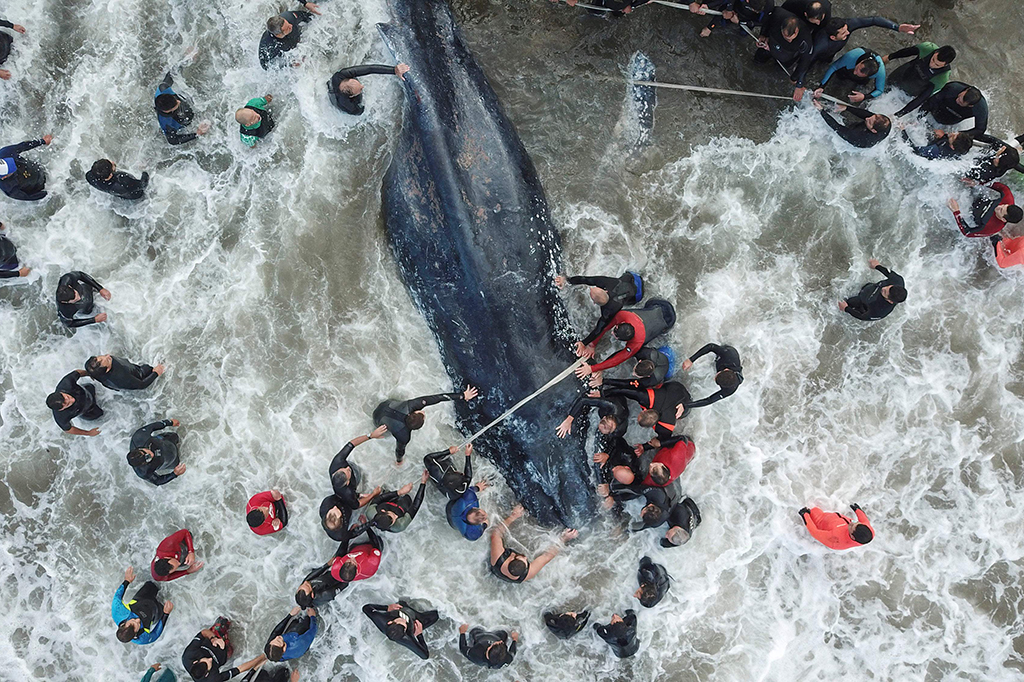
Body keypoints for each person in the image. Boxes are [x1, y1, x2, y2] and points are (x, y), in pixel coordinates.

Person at [373, 385, 478, 463]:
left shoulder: (411, 405)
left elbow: (438, 397)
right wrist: (399, 461)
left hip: (383, 407)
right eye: (422, 414)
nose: (423, 412)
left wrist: (463, 395)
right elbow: (399, 450)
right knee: (386, 432)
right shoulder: (403, 435)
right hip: (378, 420)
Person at [575, 299, 676, 377]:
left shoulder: (636, 343)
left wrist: (592, 369)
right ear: (621, 324)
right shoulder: (623, 315)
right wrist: (592, 344)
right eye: (615, 330)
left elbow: (618, 359)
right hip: (659, 304)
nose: (612, 332)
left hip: (668, 321)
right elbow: (605, 327)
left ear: (628, 341)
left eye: (615, 335)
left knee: (655, 336)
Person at [554, 271, 643, 356]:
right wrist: (566, 280)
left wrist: (583, 342)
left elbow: (599, 329)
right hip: (633, 277)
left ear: (594, 303)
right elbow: (586, 280)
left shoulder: (609, 311)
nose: (591, 288)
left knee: (626, 302)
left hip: (637, 295)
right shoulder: (607, 283)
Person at [489, 504, 578, 583]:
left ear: (511, 558)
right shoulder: (528, 574)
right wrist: (564, 538)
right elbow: (547, 556)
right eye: (525, 559)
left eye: (521, 557)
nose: (525, 557)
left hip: (498, 570)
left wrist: (514, 516)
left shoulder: (498, 558)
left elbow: (496, 533)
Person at [811, 16, 918, 68]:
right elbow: (807, 59)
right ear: (833, 37)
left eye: (847, 30)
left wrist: (897, 27)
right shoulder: (820, 45)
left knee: (827, 62)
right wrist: (798, 81)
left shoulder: (848, 25)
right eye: (843, 33)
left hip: (831, 52)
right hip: (818, 53)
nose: (848, 33)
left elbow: (873, 20)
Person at [755, 8, 813, 101]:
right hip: (769, 46)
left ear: (796, 31)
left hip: (786, 57)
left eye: (790, 38)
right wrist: (763, 35)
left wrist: (796, 80)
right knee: (757, 60)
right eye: (786, 37)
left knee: (778, 73)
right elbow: (767, 21)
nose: (789, 40)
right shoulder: (777, 14)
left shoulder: (805, 40)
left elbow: (805, 61)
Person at [884, 43, 956, 117]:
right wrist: (889, 57)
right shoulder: (928, 48)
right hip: (905, 72)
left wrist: (899, 114)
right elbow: (907, 52)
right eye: (933, 59)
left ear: (945, 64)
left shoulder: (942, 77)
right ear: (936, 52)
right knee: (884, 87)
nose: (932, 64)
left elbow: (922, 98)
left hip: (915, 88)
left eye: (937, 65)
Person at [604, 381, 691, 441]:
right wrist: (603, 394)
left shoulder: (666, 427)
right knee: (655, 387)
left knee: (681, 414)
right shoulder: (646, 397)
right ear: (644, 411)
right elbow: (623, 391)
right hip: (674, 388)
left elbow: (662, 441)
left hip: (683, 402)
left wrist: (645, 447)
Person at [183, 619, 266, 682]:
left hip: (212, 641)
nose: (210, 659)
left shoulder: (188, 655)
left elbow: (203, 633)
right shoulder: (213, 679)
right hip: (224, 654)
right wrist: (261, 657)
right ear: (207, 673)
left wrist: (213, 638)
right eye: (209, 663)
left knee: (224, 619)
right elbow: (239, 669)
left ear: (195, 662)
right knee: (236, 644)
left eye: (205, 659)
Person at [328, 425, 387, 510]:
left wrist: (371, 436)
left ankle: (358, 494)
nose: (348, 468)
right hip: (354, 481)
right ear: (347, 482)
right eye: (348, 472)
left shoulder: (336, 463)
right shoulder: (347, 493)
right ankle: (358, 493)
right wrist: (372, 495)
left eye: (344, 469)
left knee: (353, 468)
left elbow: (351, 444)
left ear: (335, 472)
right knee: (357, 479)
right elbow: (356, 505)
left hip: (350, 479)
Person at [351, 472, 429, 534]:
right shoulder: (400, 525)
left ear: (383, 511)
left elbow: (379, 498)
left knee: (385, 491)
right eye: (394, 519)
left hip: (388, 502)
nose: (396, 516)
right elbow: (415, 506)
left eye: (393, 516)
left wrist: (399, 492)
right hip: (402, 507)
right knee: (407, 498)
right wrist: (423, 482)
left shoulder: (370, 513)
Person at [112, 567, 172, 645]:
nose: (138, 620)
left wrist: (127, 581)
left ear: (124, 624)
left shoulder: (118, 613)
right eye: (138, 624)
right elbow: (156, 634)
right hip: (156, 611)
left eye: (133, 620)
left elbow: (117, 596)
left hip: (143, 597)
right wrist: (166, 614)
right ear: (135, 635)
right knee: (169, 595)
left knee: (154, 582)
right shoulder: (143, 638)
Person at [362, 601, 439, 660]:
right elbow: (425, 655)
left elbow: (366, 608)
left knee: (402, 601)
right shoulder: (406, 638)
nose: (404, 620)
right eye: (404, 624)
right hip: (414, 621)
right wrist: (419, 634)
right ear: (405, 632)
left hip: (397, 611)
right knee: (436, 615)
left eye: (400, 620)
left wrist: (387, 608)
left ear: (390, 622)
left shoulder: (380, 619)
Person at [328, 63, 410, 115]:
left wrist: (394, 70)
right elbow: (359, 112)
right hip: (339, 101)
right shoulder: (348, 104)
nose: (363, 86)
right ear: (352, 96)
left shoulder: (342, 74)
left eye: (360, 85)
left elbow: (370, 69)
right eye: (360, 89)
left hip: (334, 85)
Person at [681, 343, 744, 410]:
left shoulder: (730, 390)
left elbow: (709, 400)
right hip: (725, 353)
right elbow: (711, 347)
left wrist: (685, 406)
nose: (713, 378)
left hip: (722, 364)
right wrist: (691, 360)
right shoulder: (730, 355)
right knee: (719, 350)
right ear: (726, 370)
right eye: (716, 376)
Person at [839, 259, 906, 321]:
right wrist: (877, 266)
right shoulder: (898, 280)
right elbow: (888, 273)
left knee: (849, 302)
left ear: (890, 301)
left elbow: (863, 316)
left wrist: (846, 309)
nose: (883, 288)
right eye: (888, 287)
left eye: (885, 292)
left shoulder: (880, 311)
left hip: (864, 303)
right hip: (870, 288)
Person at [155, 71, 210, 145]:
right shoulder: (167, 123)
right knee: (188, 117)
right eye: (176, 104)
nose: (178, 102)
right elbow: (173, 141)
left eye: (175, 100)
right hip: (180, 121)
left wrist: (187, 61)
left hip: (177, 109)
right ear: (168, 111)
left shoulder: (163, 89)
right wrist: (197, 133)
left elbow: (172, 73)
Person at [948, 184, 1022, 238]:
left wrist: (956, 212)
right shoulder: (1008, 201)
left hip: (972, 215)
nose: (999, 206)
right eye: (1004, 205)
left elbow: (967, 233)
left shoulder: (991, 227)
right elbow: (1004, 188)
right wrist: (979, 182)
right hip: (979, 200)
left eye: (1001, 210)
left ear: (1003, 219)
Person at [259, 3, 319, 70]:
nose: (291, 26)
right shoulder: (268, 44)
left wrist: (317, 20)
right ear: (278, 35)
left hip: (297, 40)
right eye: (287, 28)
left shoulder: (289, 17)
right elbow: (265, 65)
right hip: (286, 53)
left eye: (288, 24)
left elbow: (306, 16)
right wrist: (289, 63)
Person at [127, 419, 185, 485]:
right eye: (148, 458)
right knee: (185, 461)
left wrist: (170, 422)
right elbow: (158, 481)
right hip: (171, 461)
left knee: (178, 435)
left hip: (167, 440)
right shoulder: (143, 471)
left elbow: (152, 426)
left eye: (146, 453)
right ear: (143, 464)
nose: (151, 455)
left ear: (139, 449)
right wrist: (174, 474)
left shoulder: (139, 437)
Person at [813, 99, 891, 148]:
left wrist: (821, 111)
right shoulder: (884, 122)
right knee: (865, 121)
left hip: (858, 141)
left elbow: (837, 127)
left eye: (870, 121)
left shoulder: (861, 139)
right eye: (873, 116)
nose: (867, 118)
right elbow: (866, 115)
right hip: (868, 132)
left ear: (873, 130)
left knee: (847, 131)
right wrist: (847, 108)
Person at [817, 48, 885, 103]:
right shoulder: (852, 55)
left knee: (861, 84)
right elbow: (834, 67)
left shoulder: (880, 72)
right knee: (840, 75)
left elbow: (879, 90)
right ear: (861, 62)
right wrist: (822, 86)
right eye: (857, 69)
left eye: (858, 74)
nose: (855, 73)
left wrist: (864, 96)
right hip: (849, 67)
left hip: (862, 78)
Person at [46, 369, 102, 436]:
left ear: (61, 393)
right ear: (61, 409)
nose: (72, 400)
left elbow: (77, 372)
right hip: (87, 410)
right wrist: (88, 433)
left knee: (91, 386)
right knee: (99, 414)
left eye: (67, 397)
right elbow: (68, 429)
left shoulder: (66, 384)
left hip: (87, 391)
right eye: (67, 404)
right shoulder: (61, 416)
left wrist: (89, 373)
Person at [921, 82, 988, 137]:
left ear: (970, 105)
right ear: (966, 90)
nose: (957, 100)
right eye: (959, 96)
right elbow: (931, 102)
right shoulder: (953, 88)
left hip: (951, 121)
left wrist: (955, 135)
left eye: (960, 102)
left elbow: (980, 130)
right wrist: (919, 117)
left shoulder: (980, 109)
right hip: (936, 110)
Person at [593, 346, 673, 391]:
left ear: (648, 376)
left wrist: (604, 381)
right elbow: (621, 354)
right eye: (635, 371)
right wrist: (602, 367)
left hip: (667, 370)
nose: (633, 374)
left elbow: (628, 384)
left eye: (636, 375)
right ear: (640, 361)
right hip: (661, 353)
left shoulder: (650, 380)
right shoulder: (643, 353)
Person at [556, 390, 628, 441]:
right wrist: (569, 420)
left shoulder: (620, 430)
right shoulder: (610, 405)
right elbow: (583, 400)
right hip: (615, 397)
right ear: (604, 417)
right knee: (587, 396)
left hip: (623, 408)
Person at [799, 503, 873, 550]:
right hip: (836, 518)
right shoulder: (869, 532)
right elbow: (864, 520)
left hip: (821, 520)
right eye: (855, 522)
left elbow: (814, 532)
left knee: (813, 508)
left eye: (851, 526)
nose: (851, 523)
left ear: (852, 537)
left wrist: (805, 514)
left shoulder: (835, 538)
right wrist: (857, 510)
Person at [0, 134, 52, 201]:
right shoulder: (9, 189)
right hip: (37, 186)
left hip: (36, 168)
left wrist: (42, 141)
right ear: (4, 177)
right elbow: (28, 197)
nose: (14, 165)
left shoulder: (4, 153)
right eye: (11, 168)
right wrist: (49, 192)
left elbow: (22, 146)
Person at [698, 0, 771, 39]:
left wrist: (740, 22)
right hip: (735, 9)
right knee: (722, 21)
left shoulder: (769, 5)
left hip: (748, 19)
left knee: (741, 35)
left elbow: (762, 23)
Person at [85, 355, 164, 391]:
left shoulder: (94, 371)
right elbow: (141, 385)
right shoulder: (121, 377)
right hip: (139, 375)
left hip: (126, 372)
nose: (108, 356)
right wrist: (156, 373)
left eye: (101, 356)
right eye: (107, 360)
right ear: (107, 370)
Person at [905, 128, 973, 160]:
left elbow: (913, 150)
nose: (952, 133)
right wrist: (943, 136)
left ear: (952, 146)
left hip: (927, 153)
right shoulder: (961, 149)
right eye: (956, 133)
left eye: (952, 136)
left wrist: (902, 130)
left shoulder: (937, 150)